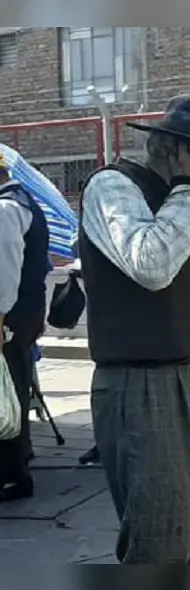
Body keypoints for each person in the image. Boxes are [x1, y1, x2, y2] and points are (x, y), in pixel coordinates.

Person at [79, 95, 190, 563]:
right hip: (143, 383)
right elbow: (151, 263)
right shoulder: (115, 187)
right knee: (160, 536)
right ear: (177, 149)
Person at [0, 150, 49, 503]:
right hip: (21, 315)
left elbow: (5, 273)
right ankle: (19, 460)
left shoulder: (6, 210)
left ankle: (13, 476)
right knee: (12, 389)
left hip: (9, 318)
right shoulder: (19, 203)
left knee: (8, 396)